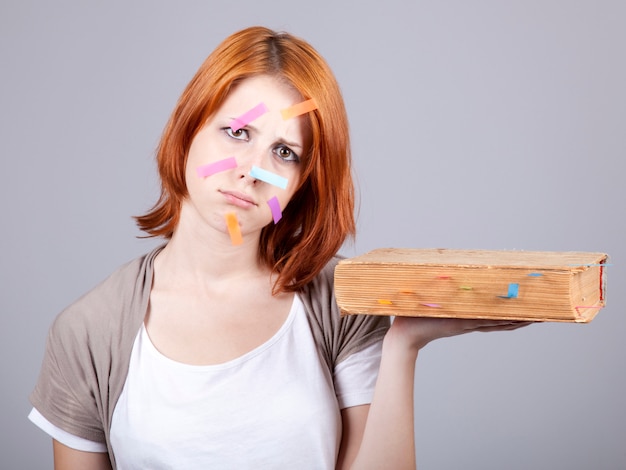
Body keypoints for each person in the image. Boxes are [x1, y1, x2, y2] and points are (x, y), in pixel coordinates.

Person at [29, 26, 528, 469]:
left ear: (301, 185)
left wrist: (404, 342)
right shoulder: (87, 333)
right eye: (237, 131)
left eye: (284, 153)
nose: (251, 170)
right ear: (187, 130)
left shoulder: (343, 300)